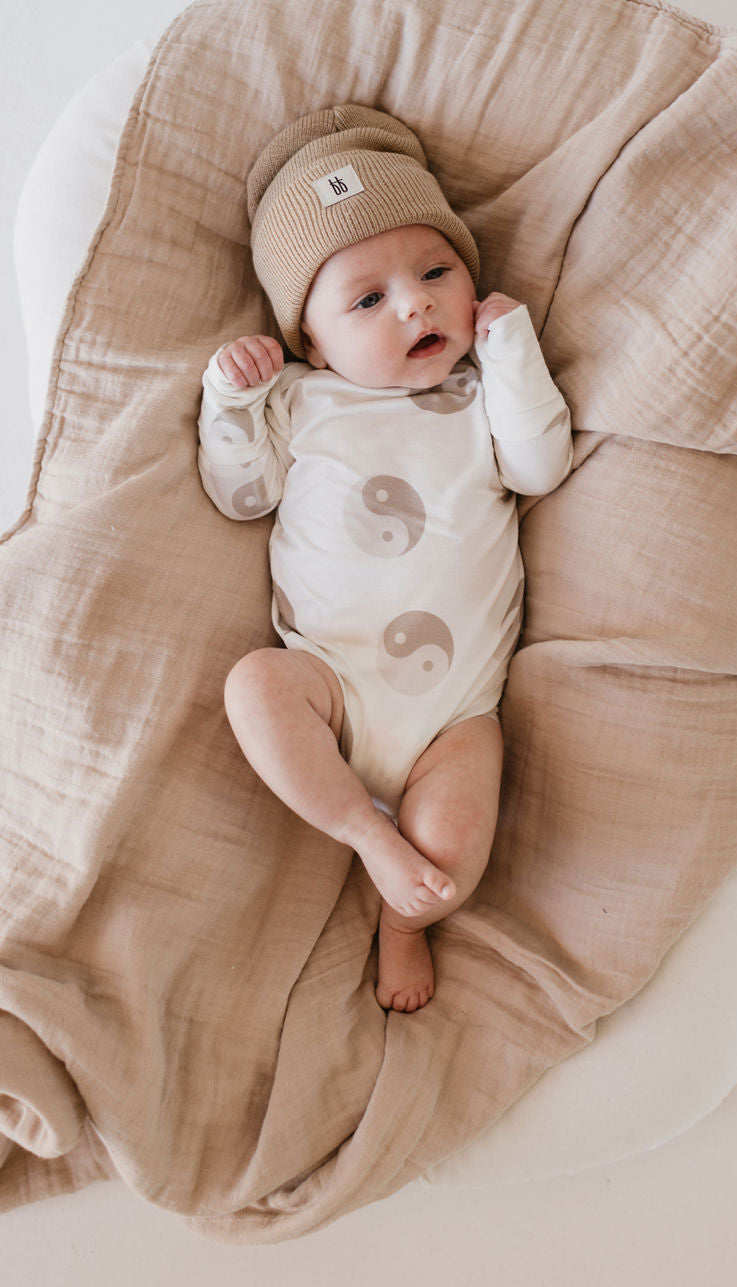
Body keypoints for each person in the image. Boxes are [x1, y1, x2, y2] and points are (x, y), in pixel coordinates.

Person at [198, 105, 573, 1012]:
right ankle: (364, 834)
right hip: (328, 675)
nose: (415, 302)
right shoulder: (302, 400)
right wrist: (231, 403)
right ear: (311, 340)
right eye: (368, 300)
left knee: (457, 840)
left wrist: (512, 349)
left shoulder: (480, 392)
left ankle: (402, 921)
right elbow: (240, 494)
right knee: (254, 685)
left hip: (454, 712)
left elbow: (540, 465)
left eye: (437, 271)